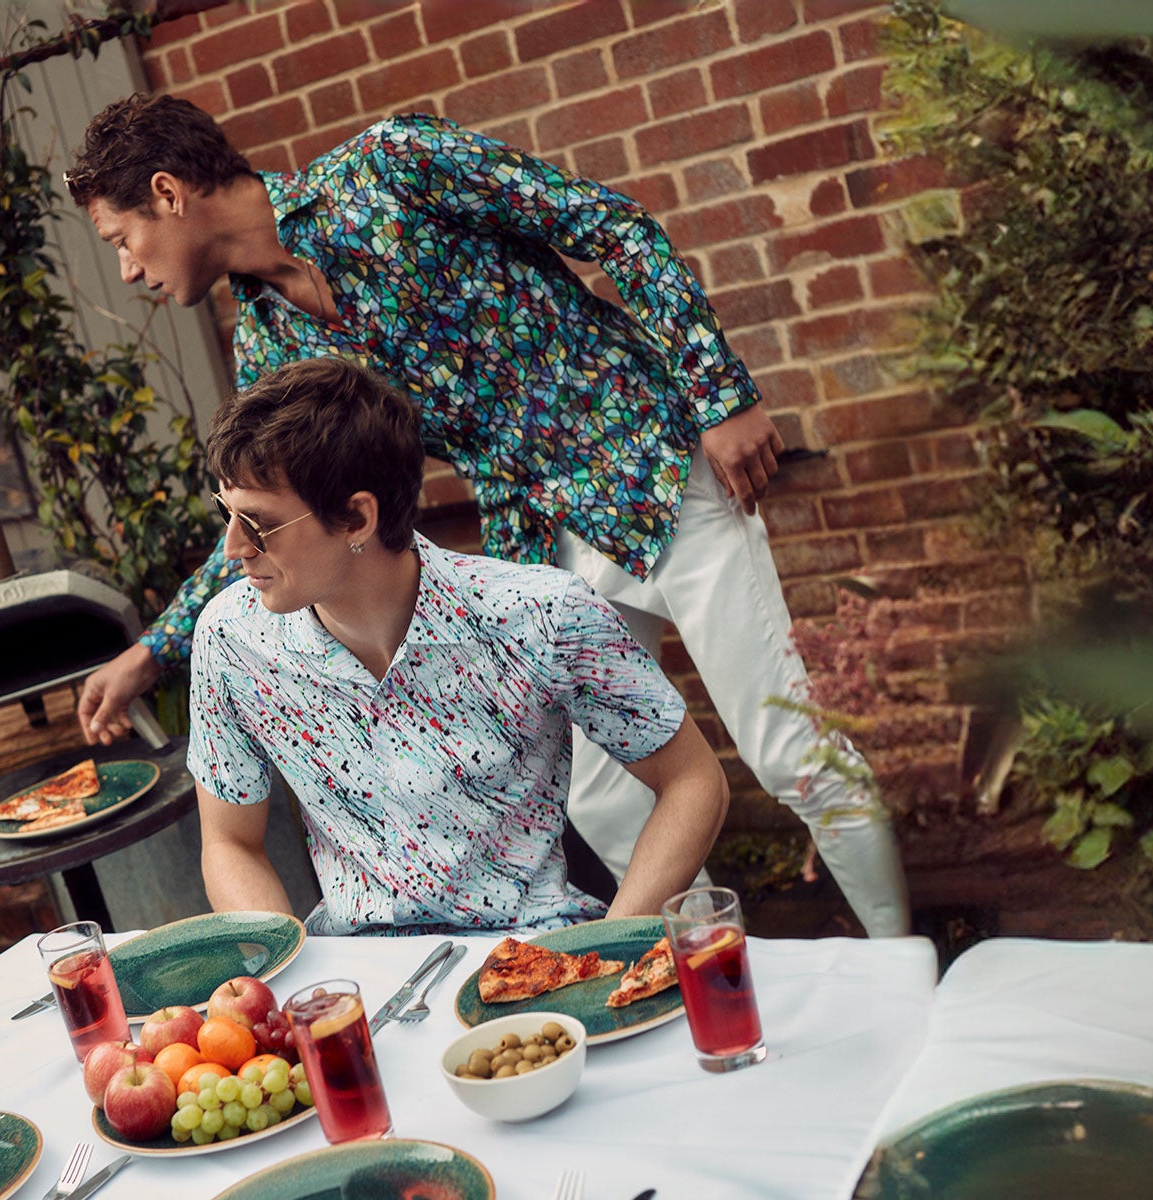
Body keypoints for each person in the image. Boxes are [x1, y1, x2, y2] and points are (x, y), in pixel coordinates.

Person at [63, 95, 910, 935]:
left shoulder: (392, 168)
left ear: (168, 193)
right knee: (600, 796)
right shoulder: (270, 347)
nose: (129, 269)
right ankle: (709, 960)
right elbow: (276, 521)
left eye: (120, 239)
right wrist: (152, 651)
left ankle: (902, 958)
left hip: (651, 474)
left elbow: (613, 226)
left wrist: (720, 395)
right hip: (535, 546)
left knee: (791, 753)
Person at [185, 359, 725, 935]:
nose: (233, 547)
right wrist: (287, 969)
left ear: (357, 518)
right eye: (225, 512)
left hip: (531, 954)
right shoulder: (230, 639)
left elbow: (693, 781)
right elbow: (230, 842)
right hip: (358, 967)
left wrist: (612, 941)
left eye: (257, 523)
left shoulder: (543, 615)